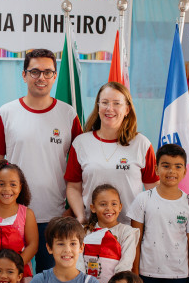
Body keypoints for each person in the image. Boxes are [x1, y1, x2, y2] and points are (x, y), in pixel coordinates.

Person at [0, 49, 82, 273]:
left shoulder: (68, 114)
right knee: (12, 280)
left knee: (52, 281)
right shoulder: (7, 112)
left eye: (48, 72)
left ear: (55, 76)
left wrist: (72, 210)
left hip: (54, 215)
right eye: (35, 72)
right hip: (12, 215)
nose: (41, 77)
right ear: (24, 75)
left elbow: (80, 168)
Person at [65, 82, 159, 226]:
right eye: (104, 103)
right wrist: (81, 217)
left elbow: (153, 188)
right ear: (98, 107)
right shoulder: (81, 143)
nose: (110, 108)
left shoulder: (142, 144)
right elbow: (73, 187)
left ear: (127, 109)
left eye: (116, 103)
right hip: (91, 228)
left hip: (131, 229)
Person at [128, 144, 189, 283]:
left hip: (179, 278)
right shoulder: (143, 199)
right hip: (147, 276)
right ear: (156, 169)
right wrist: (135, 274)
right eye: (166, 166)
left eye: (178, 166)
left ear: (185, 171)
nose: (171, 171)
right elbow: (135, 241)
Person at [78, 184, 140, 283]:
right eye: (103, 204)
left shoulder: (127, 232)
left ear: (120, 207)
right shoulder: (84, 231)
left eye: (114, 204)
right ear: (93, 208)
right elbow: (78, 260)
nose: (109, 208)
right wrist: (83, 282)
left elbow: (126, 262)